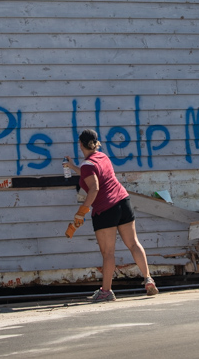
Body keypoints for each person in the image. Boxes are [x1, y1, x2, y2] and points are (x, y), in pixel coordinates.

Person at [64, 129, 158, 302]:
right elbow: (93, 174)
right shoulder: (102, 157)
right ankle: (148, 279)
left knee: (108, 253)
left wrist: (81, 212)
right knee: (133, 243)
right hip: (123, 202)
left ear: (80, 144)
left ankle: (106, 291)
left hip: (105, 209)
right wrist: (73, 167)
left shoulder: (87, 166)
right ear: (95, 143)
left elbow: (94, 187)